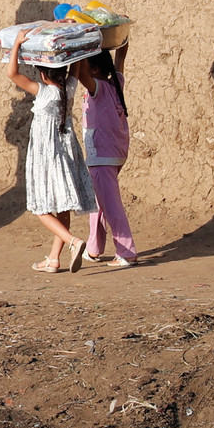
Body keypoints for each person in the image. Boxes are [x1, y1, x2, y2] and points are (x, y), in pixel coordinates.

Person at [6, 27, 97, 273]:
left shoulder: (44, 92)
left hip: (47, 157)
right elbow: (75, 64)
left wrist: (16, 44)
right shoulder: (69, 88)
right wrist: (74, 39)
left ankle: (73, 241)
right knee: (63, 205)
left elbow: (12, 72)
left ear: (44, 74)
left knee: (42, 208)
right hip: (66, 154)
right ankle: (54, 259)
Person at [75, 41, 138, 267]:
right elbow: (120, 57)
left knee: (110, 205)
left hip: (102, 157)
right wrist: (123, 39)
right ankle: (94, 248)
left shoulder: (98, 88)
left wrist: (79, 45)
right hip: (115, 154)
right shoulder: (116, 83)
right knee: (99, 202)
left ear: (93, 70)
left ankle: (127, 251)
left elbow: (81, 73)